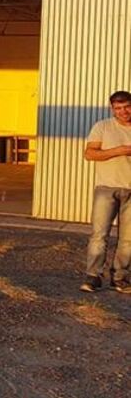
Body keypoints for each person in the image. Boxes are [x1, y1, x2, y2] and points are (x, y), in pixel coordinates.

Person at [81, 90, 131, 293]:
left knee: (128, 238)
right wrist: (120, 150)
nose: (123, 111)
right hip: (106, 188)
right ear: (112, 109)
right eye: (118, 108)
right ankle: (93, 276)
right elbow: (89, 153)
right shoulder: (102, 126)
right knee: (99, 235)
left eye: (127, 106)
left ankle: (120, 277)